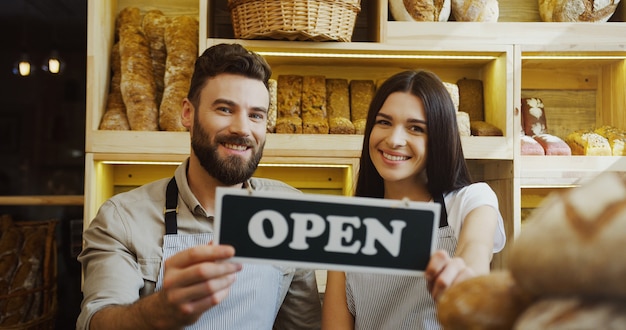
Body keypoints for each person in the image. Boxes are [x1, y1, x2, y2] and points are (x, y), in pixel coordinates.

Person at [77, 43, 322, 330]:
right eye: (224, 109)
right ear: (187, 114)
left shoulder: (289, 211)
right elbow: (96, 321)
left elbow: (301, 327)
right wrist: (159, 311)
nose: (242, 129)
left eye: (256, 115)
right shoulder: (123, 218)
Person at [321, 70, 506, 330]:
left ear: (439, 139)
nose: (394, 140)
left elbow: (476, 248)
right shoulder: (347, 226)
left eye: (416, 128)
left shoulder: (469, 201)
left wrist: (463, 279)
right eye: (384, 122)